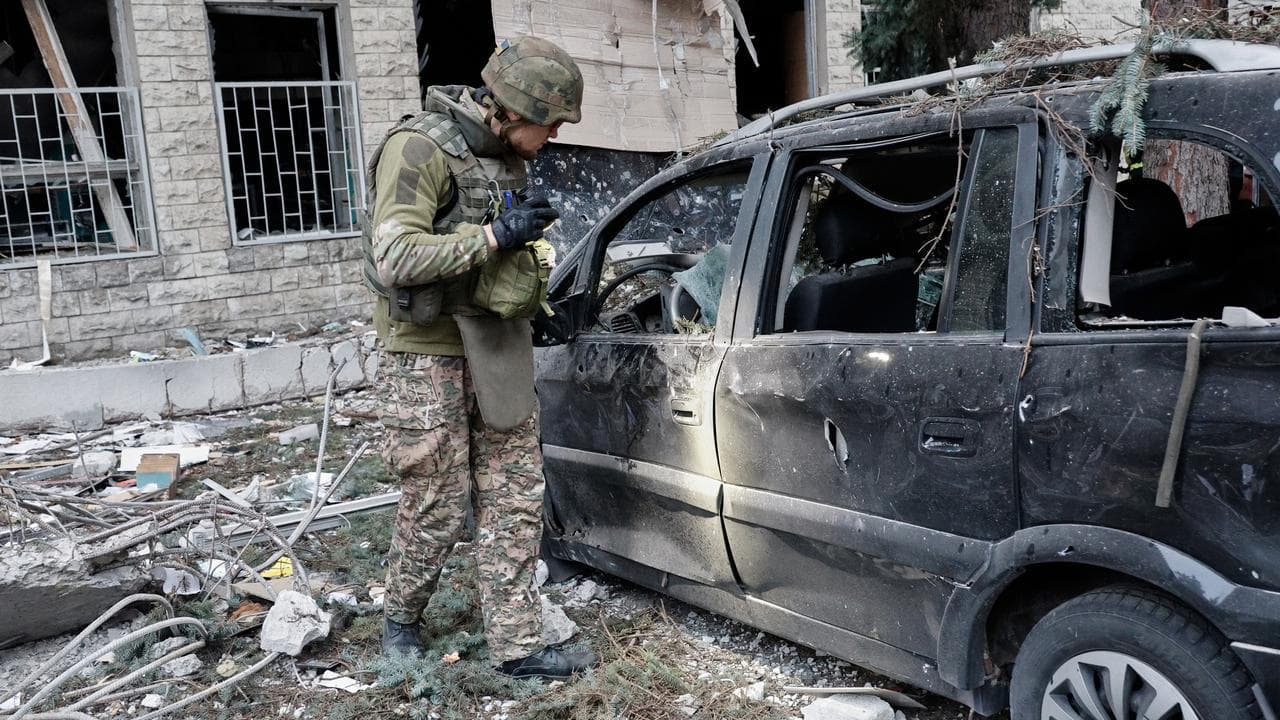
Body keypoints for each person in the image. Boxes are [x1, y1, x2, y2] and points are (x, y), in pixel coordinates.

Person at [360, 35, 595, 680]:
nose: (554, 137)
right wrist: (494, 235)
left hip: (496, 343)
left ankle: (518, 643)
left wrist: (536, 295)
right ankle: (401, 620)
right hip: (427, 351)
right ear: (513, 111)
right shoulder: (419, 148)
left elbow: (502, 260)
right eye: (550, 123)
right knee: (436, 499)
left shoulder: (507, 156)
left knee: (515, 494)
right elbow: (396, 256)